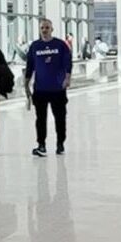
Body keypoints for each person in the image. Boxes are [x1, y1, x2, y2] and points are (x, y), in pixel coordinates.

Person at [23, 17, 73, 157]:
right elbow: (30, 66)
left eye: (47, 27)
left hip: (57, 88)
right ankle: (41, 144)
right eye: (42, 28)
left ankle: (60, 143)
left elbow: (67, 62)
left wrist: (67, 78)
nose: (44, 30)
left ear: (52, 29)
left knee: (60, 118)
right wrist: (26, 84)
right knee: (40, 118)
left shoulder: (60, 45)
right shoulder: (35, 46)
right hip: (40, 89)